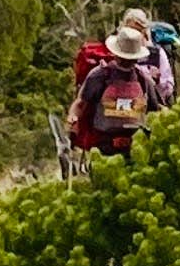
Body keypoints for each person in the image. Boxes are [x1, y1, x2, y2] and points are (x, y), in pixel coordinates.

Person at [69, 12, 170, 161]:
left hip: (136, 146)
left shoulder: (143, 80)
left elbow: (156, 109)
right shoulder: (100, 76)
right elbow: (81, 103)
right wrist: (73, 119)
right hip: (104, 144)